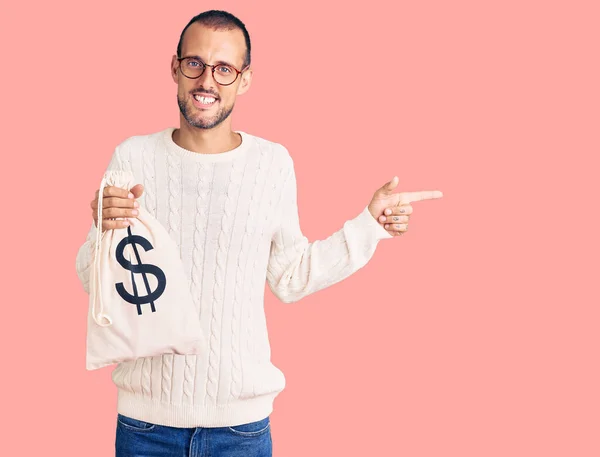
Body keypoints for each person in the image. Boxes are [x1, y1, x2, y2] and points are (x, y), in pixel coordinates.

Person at [75, 9, 443, 457]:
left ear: (244, 80)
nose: (206, 80)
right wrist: (102, 230)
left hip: (241, 431)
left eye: (224, 69)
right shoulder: (132, 155)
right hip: (146, 427)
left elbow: (290, 277)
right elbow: (96, 284)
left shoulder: (272, 164)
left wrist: (368, 225)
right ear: (174, 68)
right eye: (194, 63)